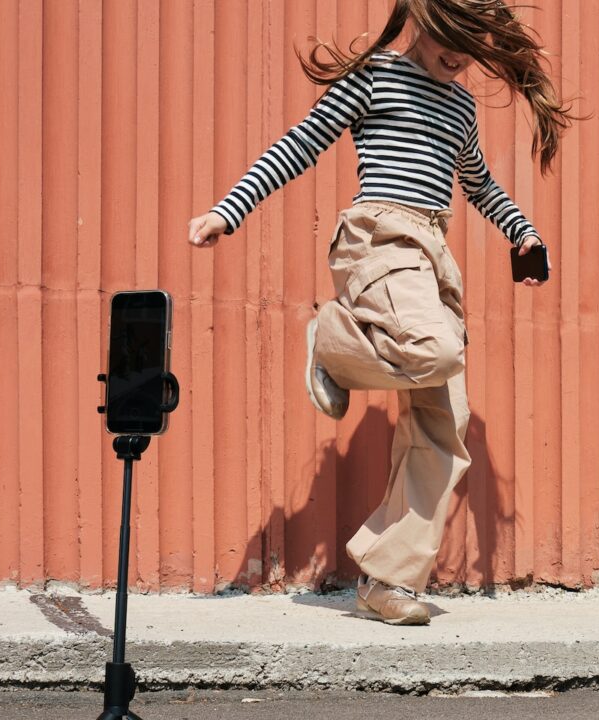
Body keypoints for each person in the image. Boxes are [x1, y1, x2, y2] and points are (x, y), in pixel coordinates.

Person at [188, 0, 574, 625]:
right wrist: (228, 211)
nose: (461, 54)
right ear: (424, 20)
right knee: (437, 350)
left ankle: (386, 581)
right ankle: (331, 343)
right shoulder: (373, 78)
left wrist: (522, 233)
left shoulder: (461, 107)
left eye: (475, 44)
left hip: (432, 254)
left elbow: (475, 184)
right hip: (380, 239)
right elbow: (299, 146)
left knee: (445, 426)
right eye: (454, 37)